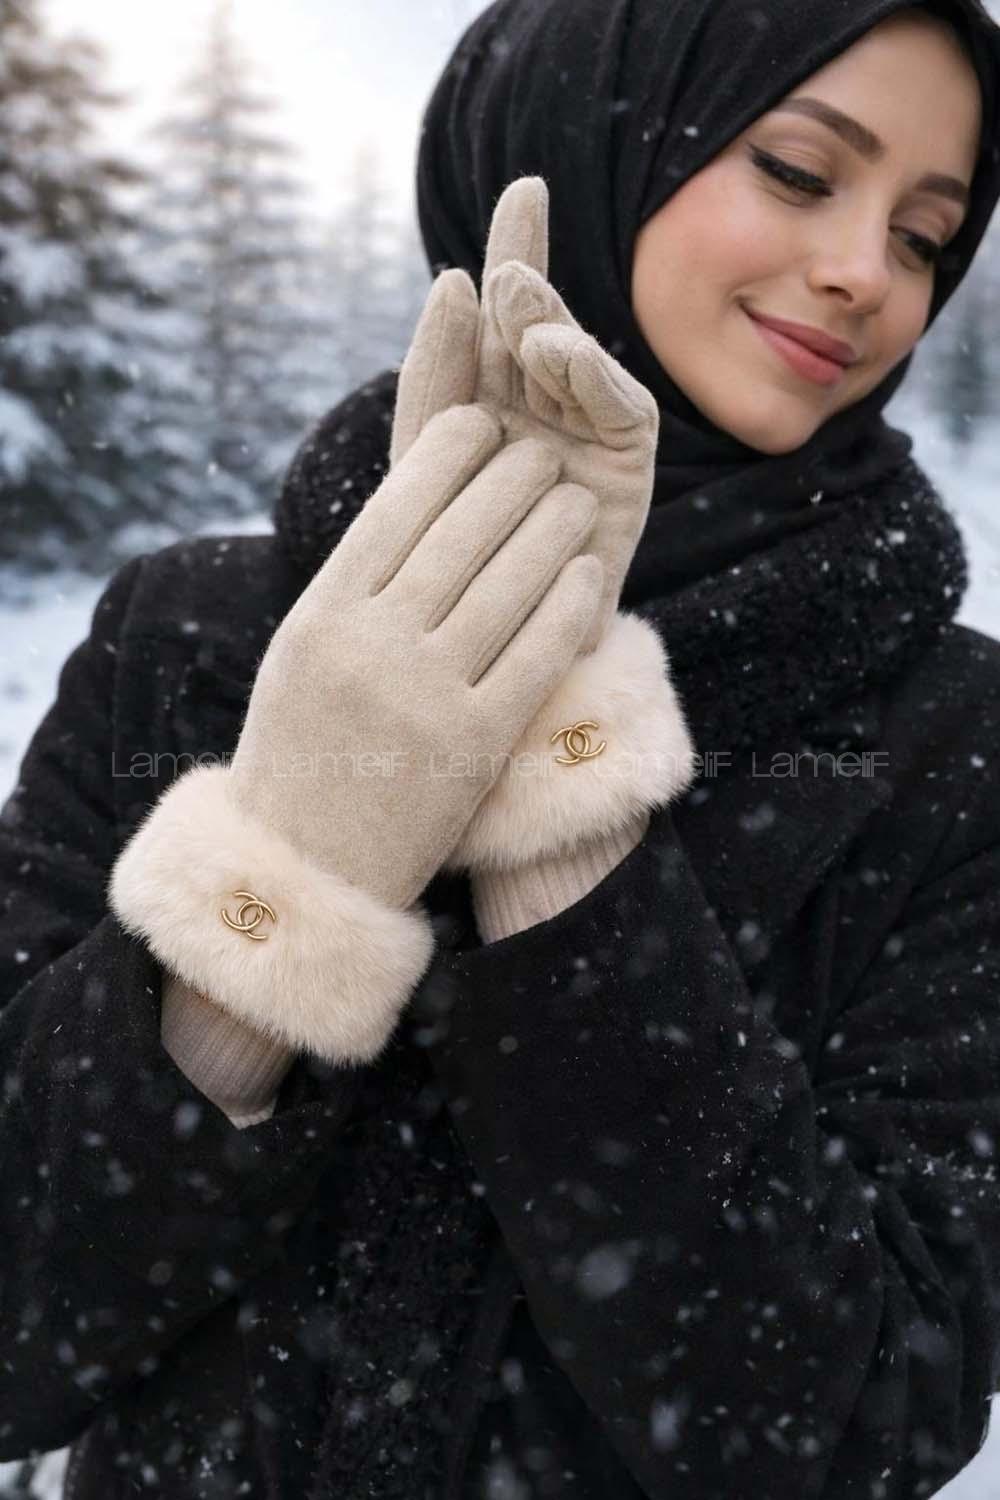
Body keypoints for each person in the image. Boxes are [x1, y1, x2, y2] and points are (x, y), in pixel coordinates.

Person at [2, 0, 1000, 1495]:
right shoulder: (190, 640)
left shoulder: (950, 749)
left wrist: (566, 809)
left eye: (926, 235)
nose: (868, 271)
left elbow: (853, 1424)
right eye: (800, 170)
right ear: (583, 135)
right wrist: (293, 866)